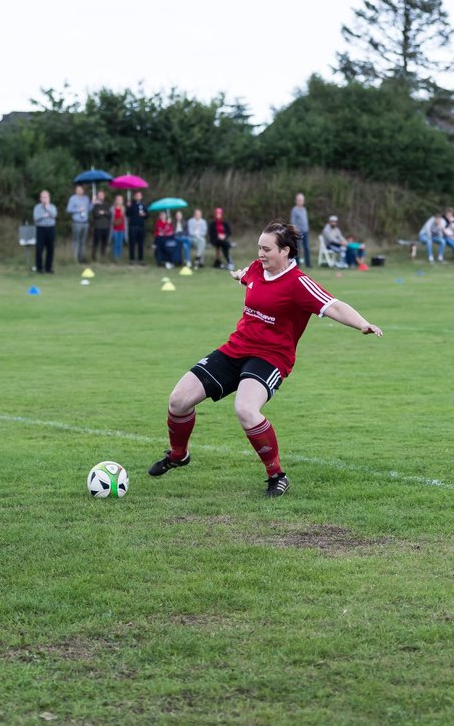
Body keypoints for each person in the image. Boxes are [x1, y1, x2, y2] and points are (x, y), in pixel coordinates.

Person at [149, 220, 382, 497]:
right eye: (259, 247)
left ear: (285, 251)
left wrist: (362, 324)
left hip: (271, 357)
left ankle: (277, 475)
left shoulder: (299, 284)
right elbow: (248, 275)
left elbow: (335, 306)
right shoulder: (258, 269)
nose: (260, 253)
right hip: (236, 348)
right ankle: (178, 455)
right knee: (178, 400)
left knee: (246, 410)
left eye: (266, 249)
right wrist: (239, 275)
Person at [33, 190, 57, 274]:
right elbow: (35, 218)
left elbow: (54, 215)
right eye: (43, 197)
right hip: (41, 229)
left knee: (50, 249)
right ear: (40, 198)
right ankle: (39, 268)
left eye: (46, 197)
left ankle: (48, 268)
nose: (44, 199)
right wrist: (43, 216)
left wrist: (47, 208)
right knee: (39, 248)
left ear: (49, 198)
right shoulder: (37, 207)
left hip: (50, 228)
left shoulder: (52, 207)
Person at [66, 185, 90, 263]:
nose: (79, 191)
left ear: (83, 190)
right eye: (77, 189)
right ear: (75, 190)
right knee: (76, 240)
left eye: (80, 189)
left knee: (83, 241)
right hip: (77, 222)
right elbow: (68, 209)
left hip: (85, 223)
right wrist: (78, 210)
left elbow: (88, 209)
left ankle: (81, 257)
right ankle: (75, 258)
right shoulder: (73, 198)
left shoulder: (86, 199)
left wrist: (93, 203)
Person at [290, 193, 311, 267]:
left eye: (302, 200)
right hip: (298, 232)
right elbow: (293, 221)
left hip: (305, 232)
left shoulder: (304, 209)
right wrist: (295, 231)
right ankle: (297, 264)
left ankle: (308, 264)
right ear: (296, 201)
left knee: (307, 248)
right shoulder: (294, 210)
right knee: (298, 249)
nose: (301, 201)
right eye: (299, 200)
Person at [90, 190, 111, 261]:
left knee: (104, 242)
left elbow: (109, 214)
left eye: (102, 195)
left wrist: (103, 212)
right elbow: (96, 215)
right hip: (98, 227)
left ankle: (103, 255)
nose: (101, 196)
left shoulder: (107, 204)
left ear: (104, 196)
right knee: (96, 242)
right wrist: (103, 213)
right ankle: (93, 256)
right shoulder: (95, 205)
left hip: (106, 227)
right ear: (97, 196)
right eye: (99, 195)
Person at [127, 190, 147, 263]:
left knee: (140, 244)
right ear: (134, 197)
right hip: (133, 227)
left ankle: (141, 259)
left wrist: (144, 215)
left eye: (139, 195)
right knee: (132, 243)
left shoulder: (143, 205)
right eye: (137, 195)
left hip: (141, 227)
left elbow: (147, 215)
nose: (138, 197)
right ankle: (132, 259)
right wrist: (128, 207)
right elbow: (128, 214)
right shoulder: (131, 204)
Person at [111, 195, 127, 261]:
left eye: (121, 199)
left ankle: (119, 256)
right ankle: (115, 257)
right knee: (115, 243)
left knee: (120, 244)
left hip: (122, 228)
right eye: (118, 199)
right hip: (114, 228)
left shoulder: (124, 209)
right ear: (116, 200)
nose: (119, 201)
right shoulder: (112, 208)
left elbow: (125, 219)